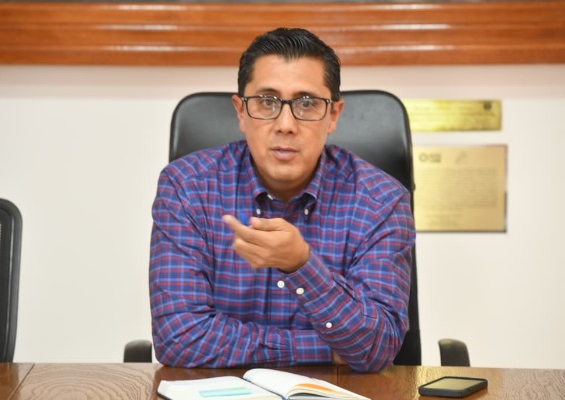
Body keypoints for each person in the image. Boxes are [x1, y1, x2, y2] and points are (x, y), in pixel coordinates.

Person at [149, 27, 415, 372]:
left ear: (333, 116)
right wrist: (325, 349)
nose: (286, 124)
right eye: (267, 101)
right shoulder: (188, 188)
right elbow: (178, 338)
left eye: (307, 103)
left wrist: (301, 265)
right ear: (240, 112)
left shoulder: (382, 201)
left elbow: (377, 347)